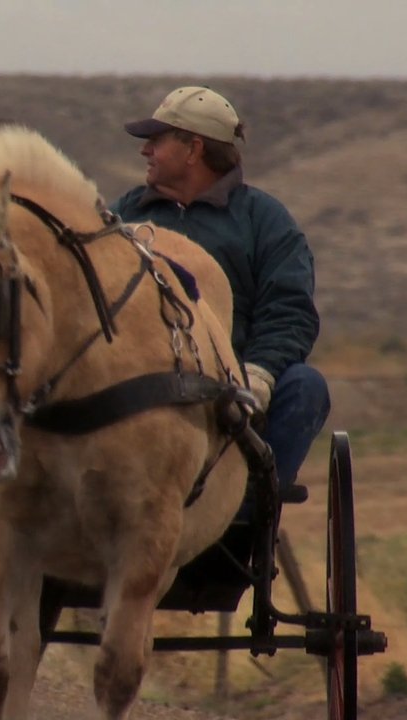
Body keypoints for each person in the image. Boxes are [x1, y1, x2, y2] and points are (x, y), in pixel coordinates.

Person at [112, 86, 329, 495]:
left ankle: (252, 500)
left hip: (236, 385)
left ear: (193, 149)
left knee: (306, 387)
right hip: (142, 382)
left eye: (156, 140)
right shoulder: (123, 216)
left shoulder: (264, 221)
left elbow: (289, 311)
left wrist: (258, 375)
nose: (145, 151)